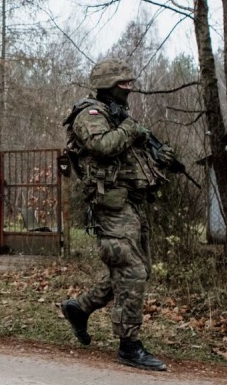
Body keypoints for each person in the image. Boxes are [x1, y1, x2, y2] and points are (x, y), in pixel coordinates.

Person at [58, 58, 176, 371]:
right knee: (132, 271)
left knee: (135, 269)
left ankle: (80, 309)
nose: (129, 87)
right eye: (124, 82)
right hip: (111, 204)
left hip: (131, 202)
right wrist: (131, 129)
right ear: (109, 84)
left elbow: (129, 157)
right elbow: (101, 146)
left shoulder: (117, 115)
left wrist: (159, 157)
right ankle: (129, 345)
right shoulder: (91, 113)